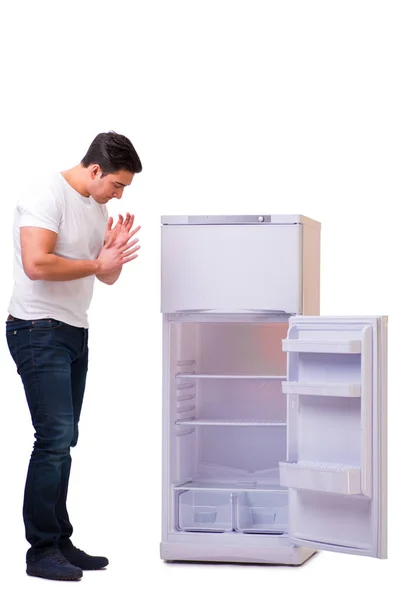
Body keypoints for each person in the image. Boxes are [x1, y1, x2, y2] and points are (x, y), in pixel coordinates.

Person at [5, 131, 142, 581]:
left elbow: (106, 280)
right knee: (53, 438)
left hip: (73, 331)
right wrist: (98, 263)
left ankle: (60, 539)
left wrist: (113, 256)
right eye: (117, 184)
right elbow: (36, 263)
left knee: (65, 440)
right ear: (95, 169)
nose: (119, 195)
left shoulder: (97, 207)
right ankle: (40, 551)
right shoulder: (46, 193)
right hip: (36, 328)